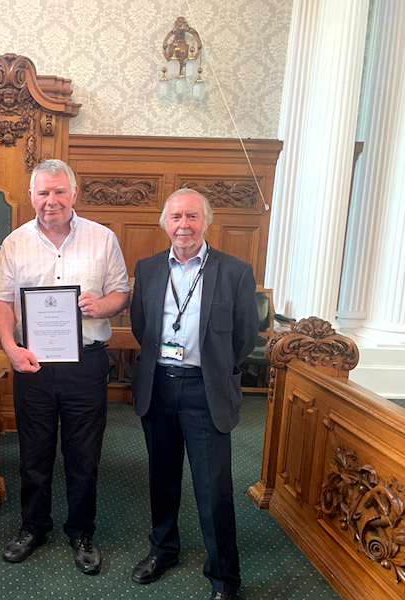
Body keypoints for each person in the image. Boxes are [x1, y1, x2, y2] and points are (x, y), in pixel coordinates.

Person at [0, 159, 130, 575]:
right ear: (31, 196)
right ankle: (33, 526)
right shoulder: (15, 242)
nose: (51, 201)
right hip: (31, 364)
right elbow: (1, 301)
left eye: (59, 192)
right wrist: (11, 348)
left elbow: (121, 293)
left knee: (84, 454)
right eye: (43, 193)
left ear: (74, 193)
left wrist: (100, 304)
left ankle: (82, 530)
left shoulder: (103, 239)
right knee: (33, 453)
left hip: (85, 362)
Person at [129, 189, 258, 600]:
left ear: (206, 222)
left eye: (192, 217)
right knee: (162, 478)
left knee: (213, 487)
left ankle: (224, 576)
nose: (183, 225)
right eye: (176, 217)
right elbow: (141, 326)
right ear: (165, 223)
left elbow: (244, 338)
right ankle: (163, 549)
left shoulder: (235, 271)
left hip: (207, 390)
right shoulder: (148, 269)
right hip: (160, 386)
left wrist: (213, 369)